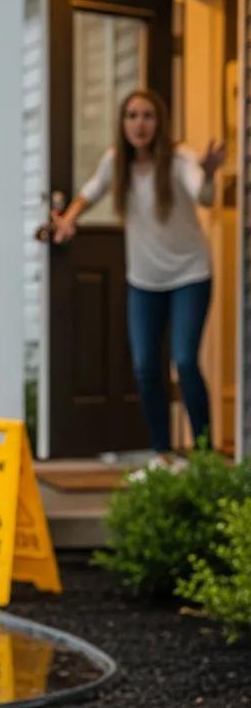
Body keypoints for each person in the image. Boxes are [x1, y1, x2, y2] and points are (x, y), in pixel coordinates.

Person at [51, 88, 225, 465]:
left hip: (190, 275)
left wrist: (210, 173)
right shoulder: (116, 162)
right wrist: (67, 221)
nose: (139, 123)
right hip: (144, 281)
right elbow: (88, 194)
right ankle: (163, 453)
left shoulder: (180, 158)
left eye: (147, 115)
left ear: (158, 121)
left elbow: (204, 195)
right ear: (123, 124)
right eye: (132, 116)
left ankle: (206, 455)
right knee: (146, 366)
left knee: (185, 360)